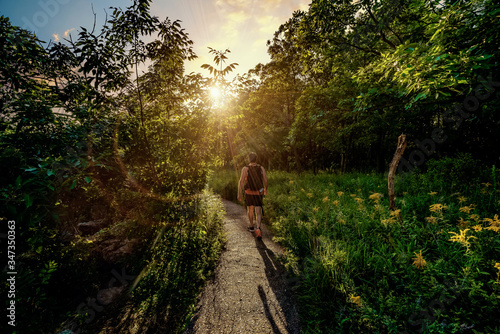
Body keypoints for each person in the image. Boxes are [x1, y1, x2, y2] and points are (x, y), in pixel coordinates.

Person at [237, 152, 268, 237]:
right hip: (258, 192)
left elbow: (241, 181)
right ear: (256, 159)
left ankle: (251, 227)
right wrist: (265, 189)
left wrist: (239, 193)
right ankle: (258, 228)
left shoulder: (245, 168)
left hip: (249, 192)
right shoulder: (261, 168)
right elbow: (265, 180)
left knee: (250, 210)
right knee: (258, 211)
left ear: (249, 159)